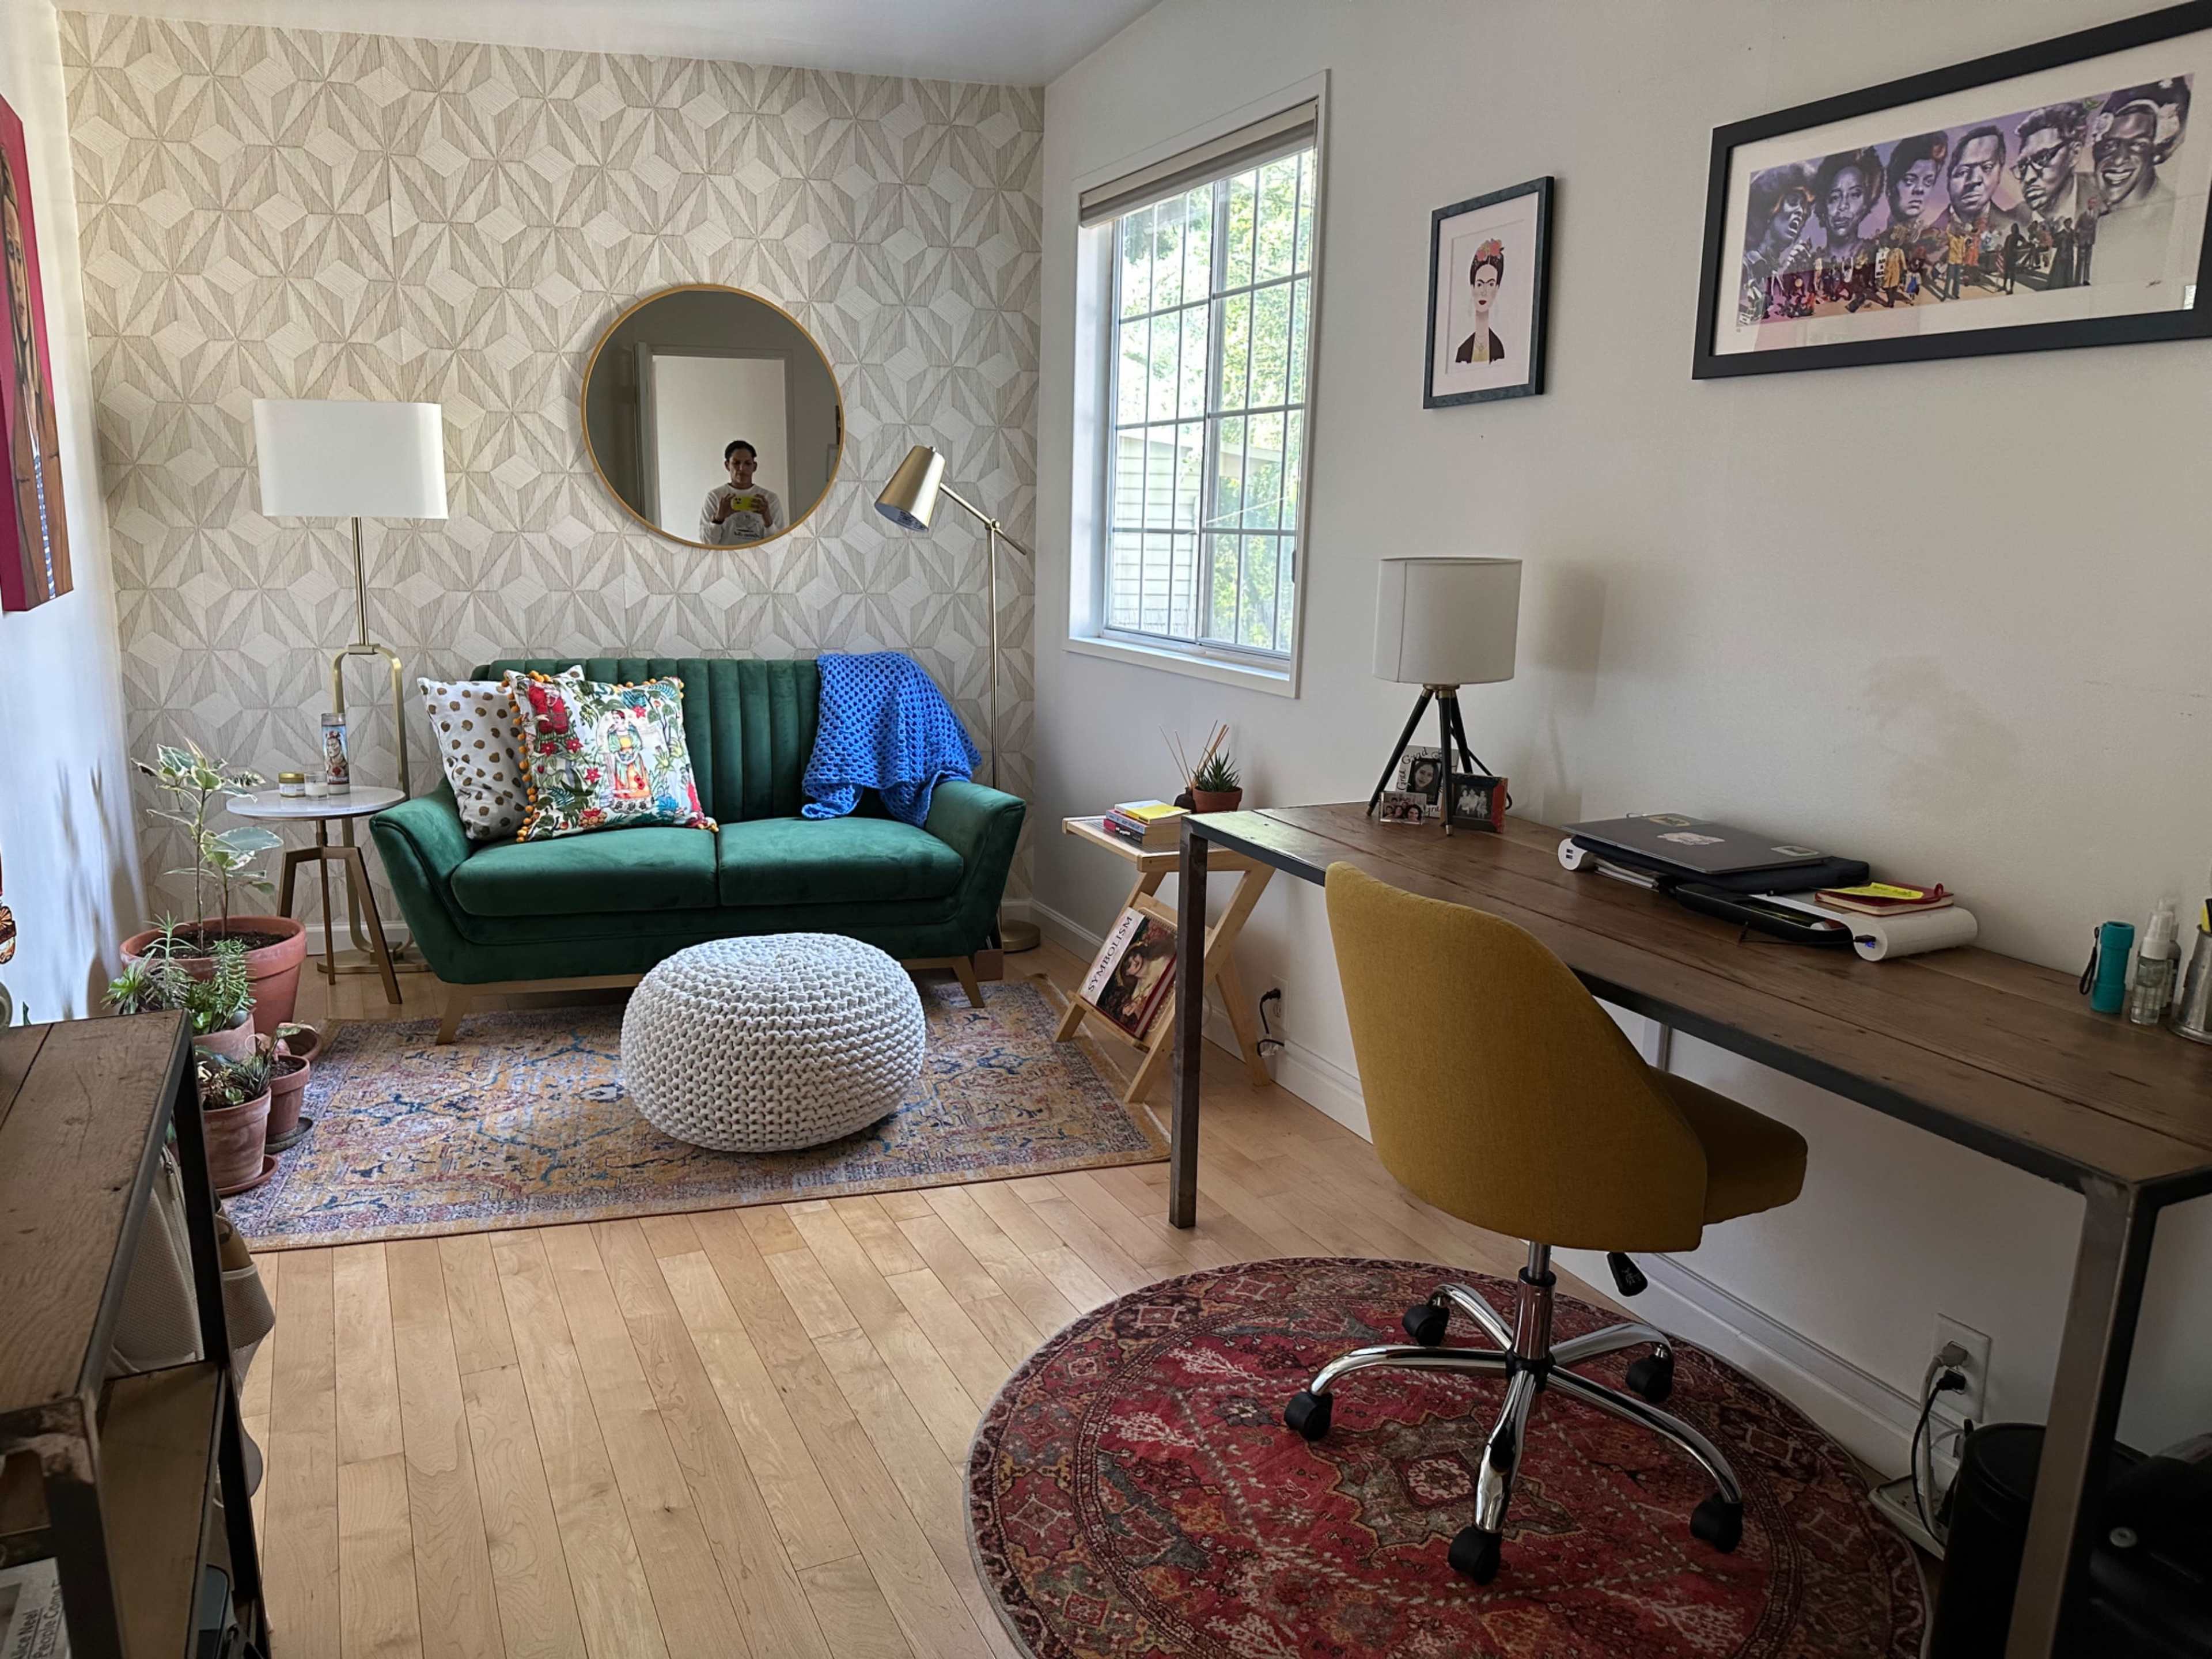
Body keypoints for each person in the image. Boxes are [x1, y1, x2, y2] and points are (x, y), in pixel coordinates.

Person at [2092, 88, 2180, 285]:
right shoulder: (2096, 219)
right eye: (2110, 145)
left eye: (2138, 145)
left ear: (2157, 150)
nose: (2119, 159)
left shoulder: (2173, 218)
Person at [1938, 124, 2029, 286]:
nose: (1974, 180)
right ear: (1949, 180)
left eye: (1987, 168)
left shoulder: (2010, 225)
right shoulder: (1928, 236)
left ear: (2000, 174)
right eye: (1962, 171)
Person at [1737, 165, 1816, 321]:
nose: (1801, 212)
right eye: (1793, 201)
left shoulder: (1776, 273)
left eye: (1805, 208)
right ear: (1770, 208)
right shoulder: (1743, 269)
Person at [2012, 103, 2095, 244]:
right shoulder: (2012, 218)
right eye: (2022, 166)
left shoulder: (2105, 196)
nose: (2028, 178)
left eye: (2042, 158)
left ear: (2075, 153)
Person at [698, 439, 783, 545]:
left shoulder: (769, 499)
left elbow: (778, 544)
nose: (742, 468)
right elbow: (707, 542)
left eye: (748, 463)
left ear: (754, 466)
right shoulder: (715, 497)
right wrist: (718, 519)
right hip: (725, 560)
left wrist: (767, 519)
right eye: (736, 463)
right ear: (727, 465)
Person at [1881, 132, 1949, 263]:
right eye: (1910, 180)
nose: (1920, 190)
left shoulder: (1930, 238)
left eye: (1928, 182)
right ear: (1890, 187)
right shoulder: (1878, 243)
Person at [1813, 148, 1883, 269]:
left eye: (1855, 195)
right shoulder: (1808, 264)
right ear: (1824, 205)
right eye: (1835, 197)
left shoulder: (1878, 256)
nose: (1843, 206)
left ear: (1866, 203)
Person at [1454, 239, 1508, 364]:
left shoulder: (1499, 348)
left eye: (1490, 284)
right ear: (1472, 288)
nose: (1484, 291)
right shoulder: (1462, 350)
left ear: (1497, 288)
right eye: (1480, 284)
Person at [2002, 222, 2026, 293]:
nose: (2012, 229)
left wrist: (2019, 248)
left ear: (2016, 229)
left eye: (2013, 228)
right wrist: (2003, 251)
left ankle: (2011, 289)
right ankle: (2004, 286)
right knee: (2006, 272)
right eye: (2012, 228)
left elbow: (2025, 242)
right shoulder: (2009, 237)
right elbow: (2005, 246)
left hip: (2013, 257)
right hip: (2007, 256)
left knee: (2012, 273)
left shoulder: (2018, 236)